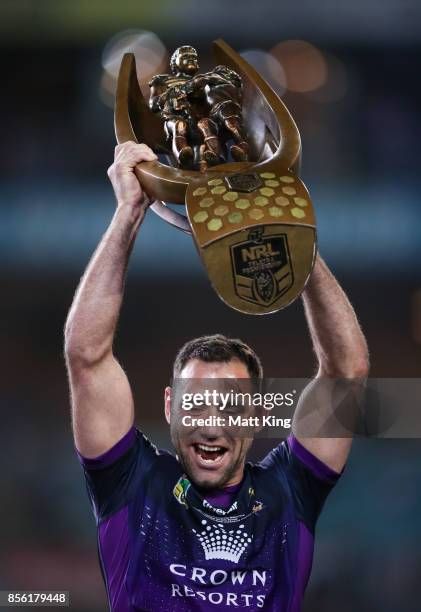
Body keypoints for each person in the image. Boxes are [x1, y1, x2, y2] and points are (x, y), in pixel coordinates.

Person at [64, 142, 369, 611]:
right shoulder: (131, 482)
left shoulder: (291, 491)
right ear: (170, 406)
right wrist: (129, 211)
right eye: (195, 403)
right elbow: (87, 356)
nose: (210, 424)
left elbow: (346, 372)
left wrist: (294, 241)